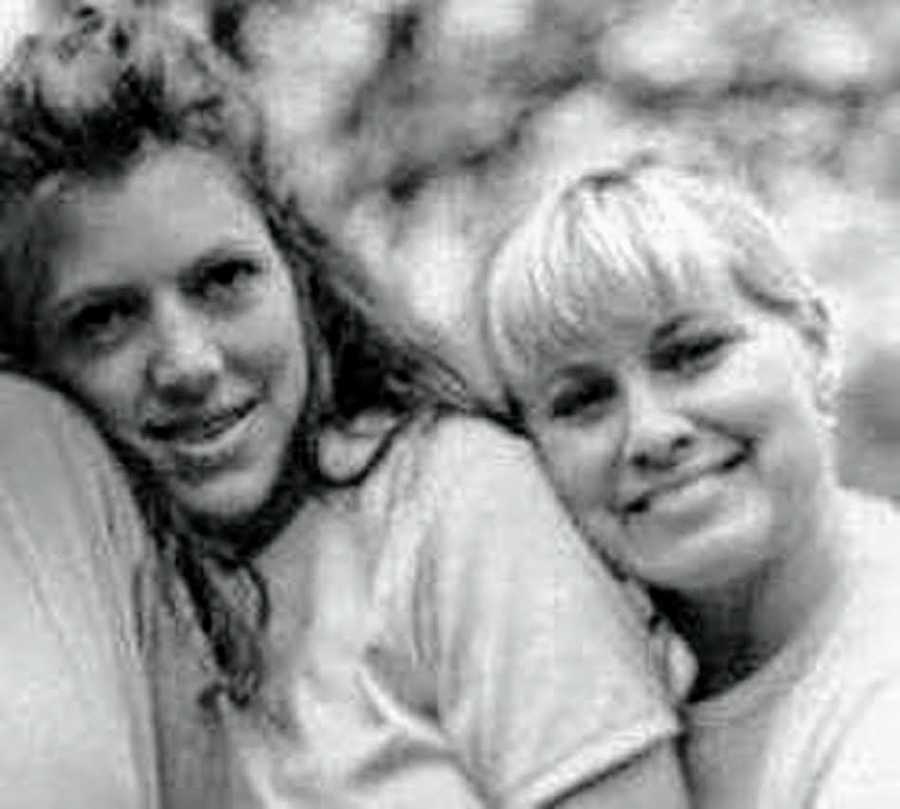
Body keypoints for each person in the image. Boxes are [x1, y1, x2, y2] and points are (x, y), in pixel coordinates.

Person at [0, 8, 689, 808]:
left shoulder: (449, 503)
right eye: (104, 319)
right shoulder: (75, 595)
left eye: (223, 279)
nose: (187, 363)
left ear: (296, 270)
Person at [482, 151, 900, 807]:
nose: (650, 432)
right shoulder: (595, 716)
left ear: (816, 343)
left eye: (692, 354)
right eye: (582, 400)